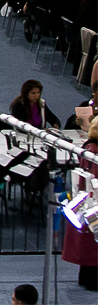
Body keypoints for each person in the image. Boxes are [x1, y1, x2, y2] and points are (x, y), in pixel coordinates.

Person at [62, 118, 98, 290]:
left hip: (86, 202)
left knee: (89, 247)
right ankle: (91, 282)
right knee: (93, 248)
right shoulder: (94, 152)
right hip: (93, 203)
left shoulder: (88, 147)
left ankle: (86, 279)